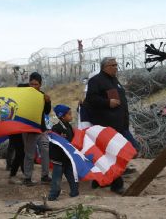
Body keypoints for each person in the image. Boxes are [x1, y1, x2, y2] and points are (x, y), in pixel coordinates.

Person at [83, 57, 135, 194]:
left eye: (117, 65)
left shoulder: (114, 80)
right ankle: (117, 185)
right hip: (106, 124)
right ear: (105, 67)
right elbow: (90, 99)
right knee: (113, 155)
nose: (116, 67)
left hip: (119, 124)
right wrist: (107, 103)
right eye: (113, 65)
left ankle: (98, 181)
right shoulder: (96, 81)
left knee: (106, 155)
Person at [21, 72, 52, 186]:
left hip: (41, 129)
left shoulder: (42, 96)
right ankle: (27, 178)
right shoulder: (24, 95)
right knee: (29, 154)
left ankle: (44, 176)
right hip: (29, 129)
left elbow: (47, 112)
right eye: (31, 84)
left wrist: (48, 102)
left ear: (40, 85)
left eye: (36, 84)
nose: (33, 86)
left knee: (45, 152)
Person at [48, 104, 79, 201]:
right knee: (56, 179)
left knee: (72, 176)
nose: (71, 116)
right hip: (58, 159)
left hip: (67, 158)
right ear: (62, 116)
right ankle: (52, 196)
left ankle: (75, 193)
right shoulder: (56, 128)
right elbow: (55, 143)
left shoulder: (69, 127)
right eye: (69, 114)